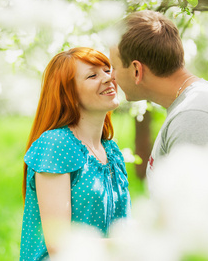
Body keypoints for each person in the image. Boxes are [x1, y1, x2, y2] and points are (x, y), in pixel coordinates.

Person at [109, 10, 208, 261]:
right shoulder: (188, 107)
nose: (110, 77)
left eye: (113, 67)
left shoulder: (196, 115)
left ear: (136, 70)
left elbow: (195, 225)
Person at [19, 47, 131, 261]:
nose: (108, 78)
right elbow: (60, 244)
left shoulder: (111, 150)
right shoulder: (56, 145)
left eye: (108, 70)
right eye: (93, 75)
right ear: (68, 93)